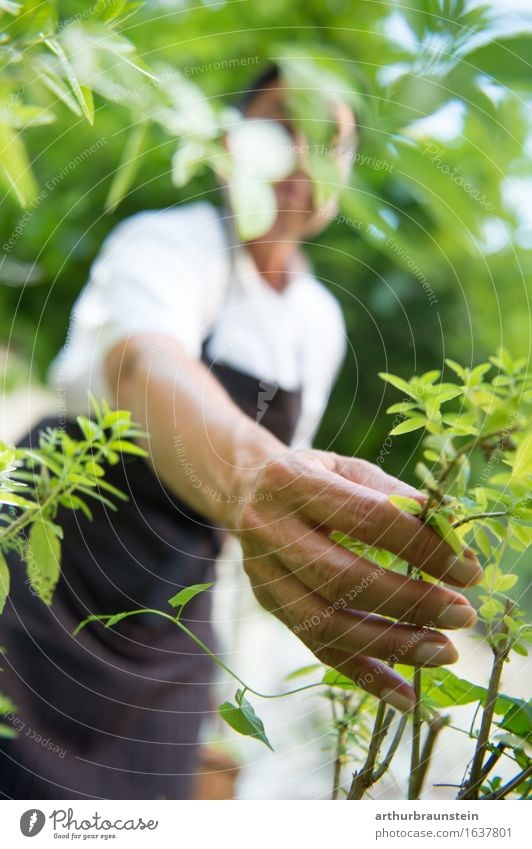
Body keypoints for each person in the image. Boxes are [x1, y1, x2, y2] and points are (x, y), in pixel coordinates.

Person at [0, 65, 481, 800]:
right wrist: (255, 477)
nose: (305, 156)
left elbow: (243, 533)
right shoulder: (168, 241)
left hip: (171, 602)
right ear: (233, 141)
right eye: (284, 127)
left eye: (332, 144)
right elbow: (141, 363)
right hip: (55, 566)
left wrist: (218, 712)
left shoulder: (318, 320)